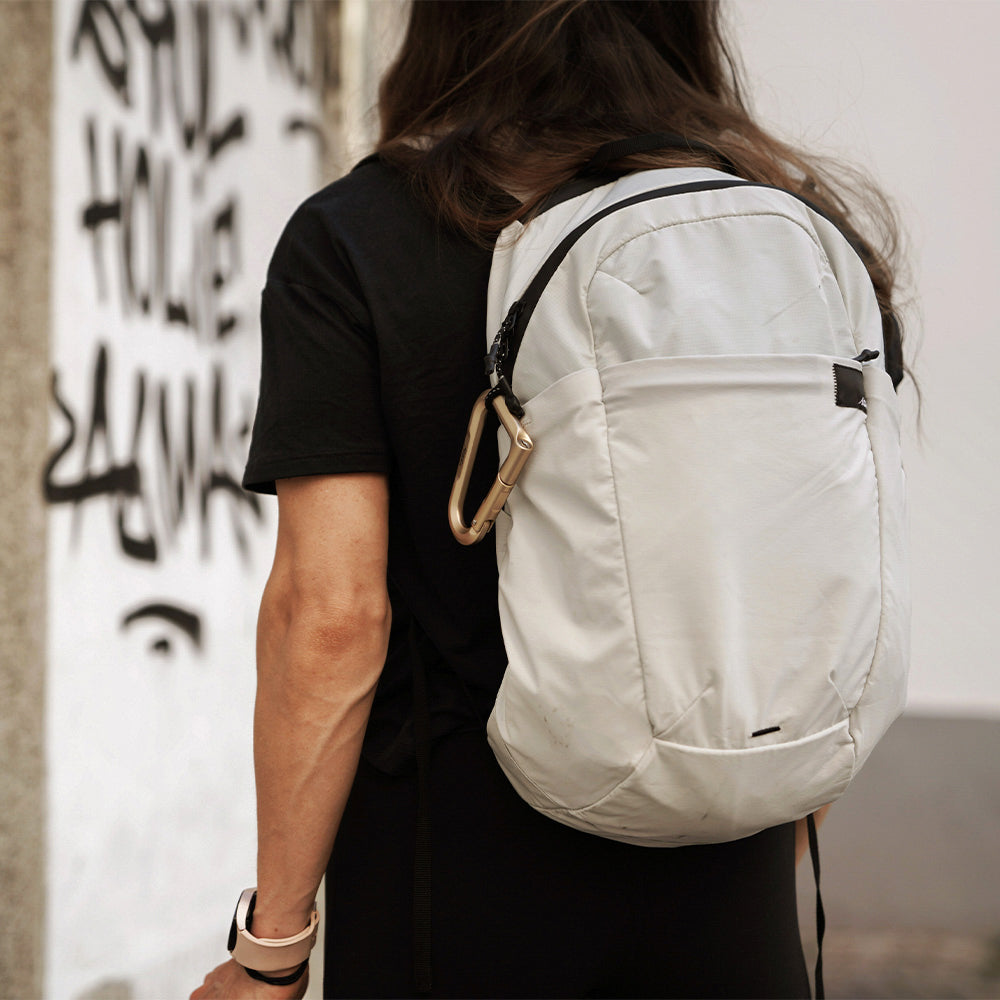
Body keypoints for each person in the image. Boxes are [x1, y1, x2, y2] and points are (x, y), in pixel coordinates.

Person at [192, 2, 905, 997]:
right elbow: (837, 585)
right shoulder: (791, 230)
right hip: (728, 889)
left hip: (450, 897)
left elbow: (332, 617)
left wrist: (270, 951)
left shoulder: (360, 235)